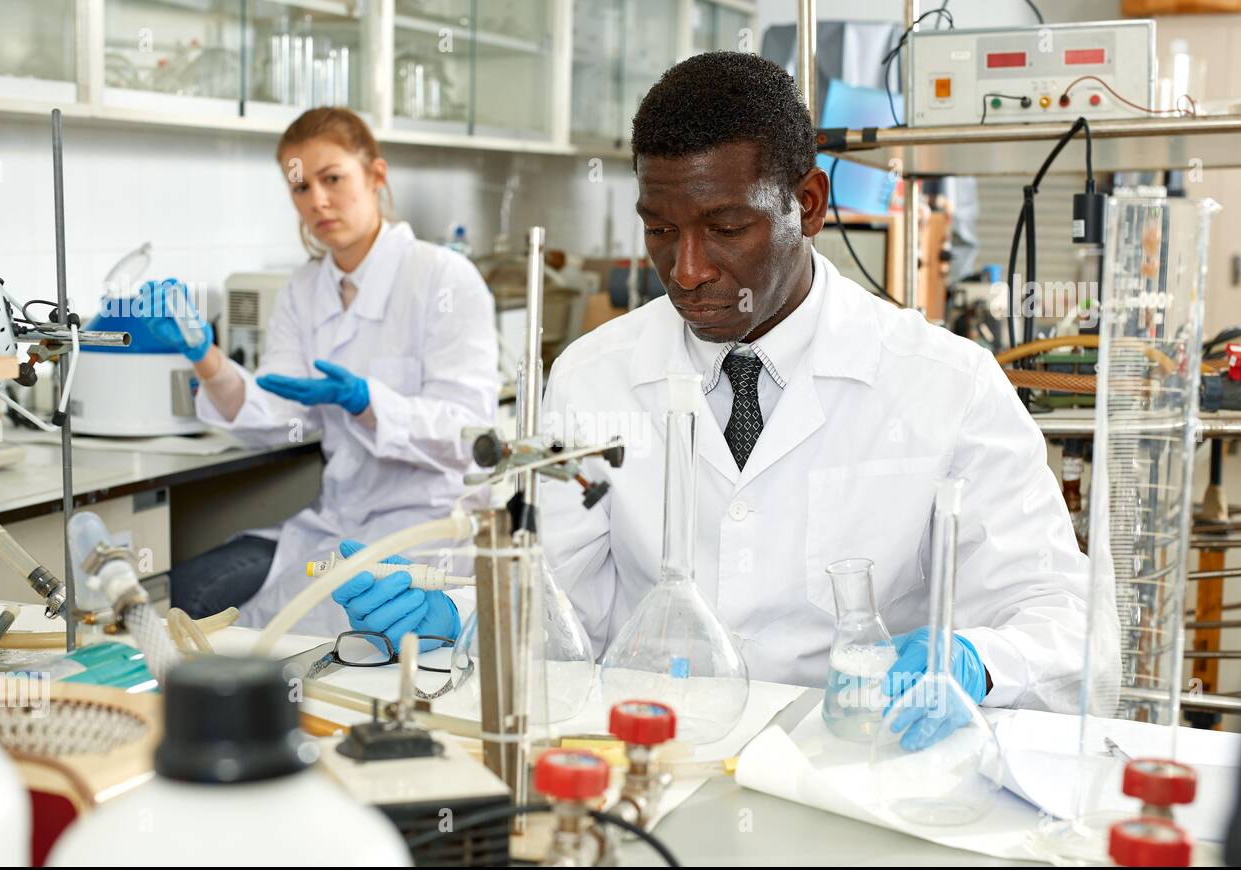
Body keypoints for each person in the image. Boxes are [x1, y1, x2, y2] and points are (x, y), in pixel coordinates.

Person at [332, 53, 1090, 749]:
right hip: (651, 758)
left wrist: (976, 660)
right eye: (660, 231)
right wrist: (464, 613)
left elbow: (1065, 621)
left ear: (809, 203)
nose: (687, 270)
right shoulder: (592, 374)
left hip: (853, 763)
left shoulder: (945, 383)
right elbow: (567, 610)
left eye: (726, 227)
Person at [147, 107, 498, 636]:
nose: (317, 201)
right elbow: (278, 411)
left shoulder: (442, 277)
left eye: (332, 179)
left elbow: (471, 435)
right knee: (187, 594)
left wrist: (367, 403)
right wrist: (207, 358)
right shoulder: (304, 289)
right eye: (300, 188)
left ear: (376, 175)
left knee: (348, 648)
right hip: (336, 522)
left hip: (426, 528)